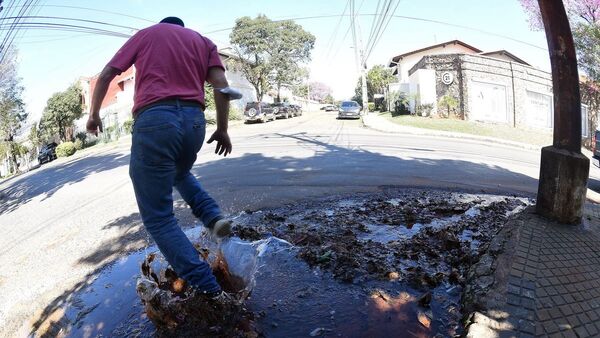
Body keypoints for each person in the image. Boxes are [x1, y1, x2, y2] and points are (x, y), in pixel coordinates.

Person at [86, 16, 234, 300]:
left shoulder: (147, 35)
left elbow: (106, 75)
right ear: (181, 27)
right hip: (194, 122)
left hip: (155, 120)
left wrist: (93, 115)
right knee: (180, 173)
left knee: (159, 218)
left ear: (164, 25)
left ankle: (210, 288)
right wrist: (223, 129)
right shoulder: (203, 41)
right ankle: (213, 217)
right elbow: (221, 85)